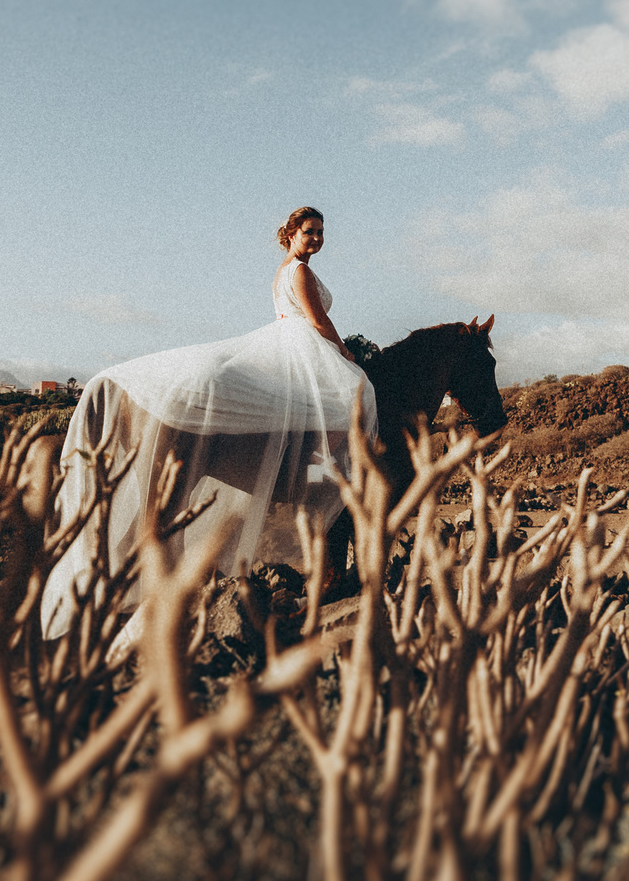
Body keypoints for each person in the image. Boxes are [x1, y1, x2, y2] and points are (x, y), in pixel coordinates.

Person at [42, 206, 378, 631]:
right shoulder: (300, 273)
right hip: (299, 342)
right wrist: (347, 353)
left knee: (317, 402)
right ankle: (322, 468)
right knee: (358, 392)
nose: (316, 239)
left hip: (288, 341)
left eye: (321, 233)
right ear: (291, 234)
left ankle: (313, 464)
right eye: (309, 232)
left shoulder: (286, 271)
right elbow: (316, 320)